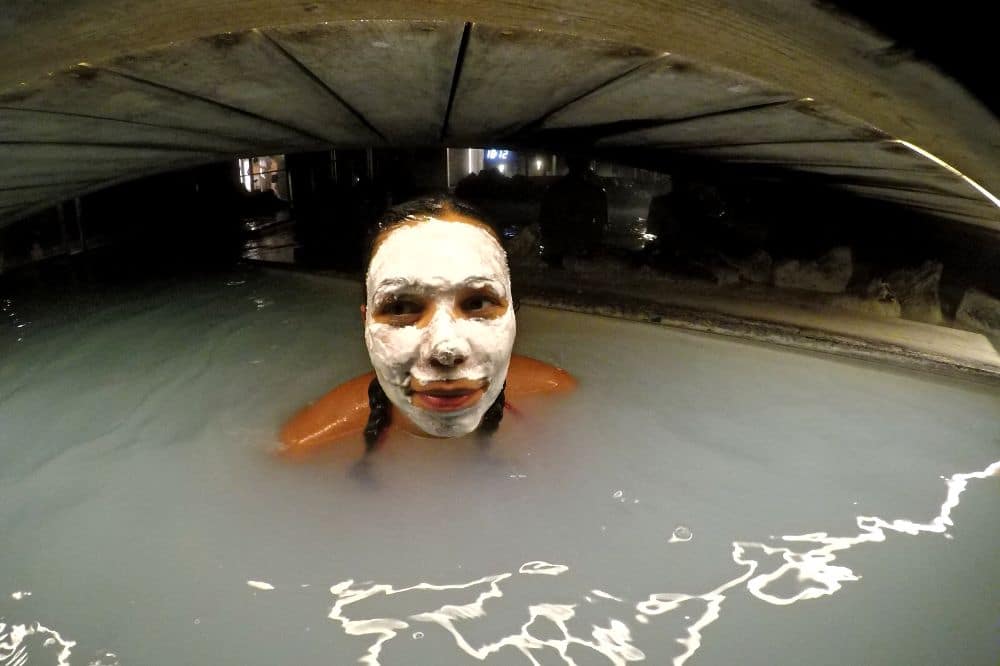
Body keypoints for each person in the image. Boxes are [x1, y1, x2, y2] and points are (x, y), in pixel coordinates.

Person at [278, 196, 575, 457]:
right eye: (401, 308)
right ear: (365, 323)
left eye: (476, 304)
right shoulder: (306, 445)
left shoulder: (557, 391)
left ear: (513, 314)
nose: (446, 349)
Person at [537, 155, 608, 267]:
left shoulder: (554, 190)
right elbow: (602, 225)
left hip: (559, 248)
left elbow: (543, 221)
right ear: (587, 165)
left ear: (567, 163)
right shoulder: (595, 193)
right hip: (582, 249)